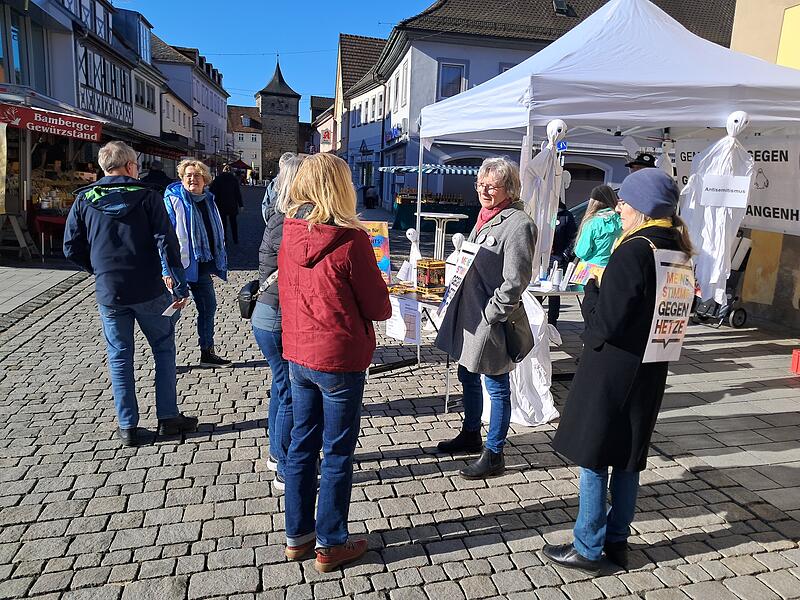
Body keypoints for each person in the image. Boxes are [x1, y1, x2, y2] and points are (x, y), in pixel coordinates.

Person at [543, 169, 695, 574]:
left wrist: (592, 291)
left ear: (643, 208)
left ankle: (587, 547)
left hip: (613, 369)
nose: (621, 208)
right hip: (651, 367)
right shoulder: (678, 251)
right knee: (629, 458)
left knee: (595, 457)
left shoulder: (635, 250)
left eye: (626, 202)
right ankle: (617, 541)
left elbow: (602, 327)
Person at [278, 153, 391, 572]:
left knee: (302, 445)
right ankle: (330, 541)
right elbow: (379, 307)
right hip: (338, 356)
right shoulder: (350, 239)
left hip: (299, 351)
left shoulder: (289, 232)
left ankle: (298, 535)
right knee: (337, 450)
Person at [63, 141, 198, 447]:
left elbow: (70, 247)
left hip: (110, 292)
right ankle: (167, 417)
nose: (137, 169)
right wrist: (178, 284)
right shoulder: (148, 196)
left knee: (119, 357)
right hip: (149, 288)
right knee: (163, 350)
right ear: (128, 166)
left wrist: (97, 269)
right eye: (136, 164)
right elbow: (168, 242)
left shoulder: (85, 199)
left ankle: (128, 426)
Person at [435, 157, 537, 479]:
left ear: (509, 188)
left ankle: (494, 453)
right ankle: (470, 433)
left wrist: (492, 313)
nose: (483, 190)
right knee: (467, 374)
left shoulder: (519, 223)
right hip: (468, 314)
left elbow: (516, 280)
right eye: (480, 184)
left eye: (491, 185)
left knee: (496, 385)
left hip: (490, 319)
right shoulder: (485, 217)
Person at [252, 154, 306, 491]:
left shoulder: (275, 213)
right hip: (276, 316)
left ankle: (276, 452)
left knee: (279, 386)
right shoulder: (290, 220)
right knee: (287, 392)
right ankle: (285, 468)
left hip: (266, 315)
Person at [163, 159, 231, 368]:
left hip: (201, 266)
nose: (193, 179)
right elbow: (164, 238)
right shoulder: (173, 200)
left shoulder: (209, 200)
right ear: (182, 179)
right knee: (171, 315)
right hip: (178, 267)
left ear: (205, 179)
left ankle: (207, 353)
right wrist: (166, 270)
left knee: (208, 307)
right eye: (188, 176)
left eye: (197, 175)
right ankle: (165, 359)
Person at [543, 200, 577, 327]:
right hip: (540, 258)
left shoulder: (566, 216)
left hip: (557, 258)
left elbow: (573, 238)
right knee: (537, 290)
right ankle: (536, 319)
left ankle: (552, 322)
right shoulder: (541, 212)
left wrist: (564, 255)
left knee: (554, 292)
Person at [574, 184, 622, 267]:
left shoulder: (592, 222)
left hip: (592, 268)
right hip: (614, 267)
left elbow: (582, 252)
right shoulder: (622, 220)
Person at [209, 164, 244, 245]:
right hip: (232, 204)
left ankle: (224, 239)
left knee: (223, 223)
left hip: (220, 204)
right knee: (233, 223)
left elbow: (212, 191)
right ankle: (235, 238)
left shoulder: (218, 179)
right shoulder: (234, 179)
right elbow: (237, 193)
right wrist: (241, 205)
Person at [262, 152, 295, 223]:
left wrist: (270, 222)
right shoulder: (300, 183)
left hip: (275, 224)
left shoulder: (274, 184)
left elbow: (265, 206)